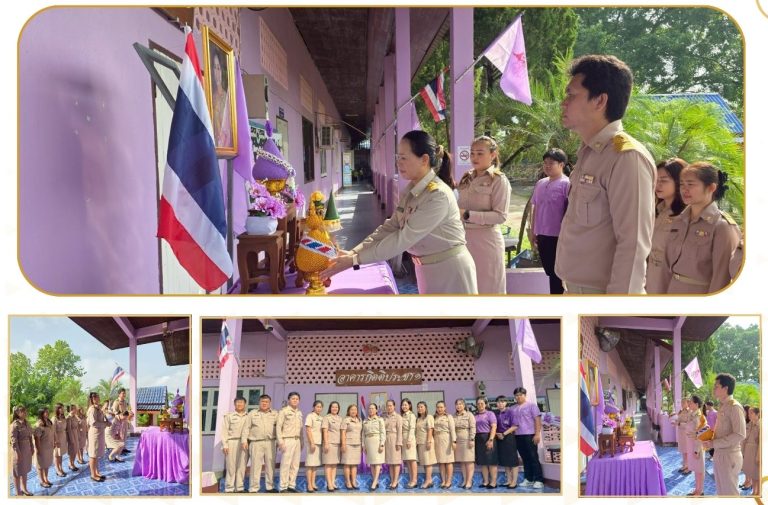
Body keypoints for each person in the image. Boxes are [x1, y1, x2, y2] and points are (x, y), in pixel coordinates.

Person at [321, 130, 478, 294]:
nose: (398, 163)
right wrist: (354, 252)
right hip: (426, 269)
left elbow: (403, 239)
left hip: (450, 271)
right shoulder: (412, 191)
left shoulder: (437, 195)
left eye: (404, 158)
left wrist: (354, 260)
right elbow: (390, 227)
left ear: (424, 160)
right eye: (398, 157)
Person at [556, 54, 655, 294]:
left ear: (600, 101)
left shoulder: (626, 157)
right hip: (575, 291)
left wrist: (616, 309)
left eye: (571, 95)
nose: (563, 103)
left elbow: (633, 245)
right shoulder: (589, 154)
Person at [665, 162, 741, 293]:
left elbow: (721, 277)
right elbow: (665, 268)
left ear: (711, 187)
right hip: (672, 291)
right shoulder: (678, 221)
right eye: (682, 184)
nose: (684, 189)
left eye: (690, 184)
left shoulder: (722, 226)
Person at [457, 135, 511, 294]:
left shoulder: (499, 180)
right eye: (472, 153)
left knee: (489, 287)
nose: (475, 157)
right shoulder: (467, 177)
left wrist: (468, 215)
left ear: (493, 155)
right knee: (467, 286)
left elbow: (500, 216)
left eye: (480, 153)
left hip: (486, 241)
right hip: (464, 239)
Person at [530, 148, 571, 294]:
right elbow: (535, 207)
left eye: (551, 163)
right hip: (542, 234)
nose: (547, 166)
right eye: (545, 163)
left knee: (557, 273)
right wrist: (533, 231)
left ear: (561, 164)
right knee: (549, 270)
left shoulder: (567, 184)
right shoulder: (540, 183)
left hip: (559, 236)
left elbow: (570, 211)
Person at [645, 158, 687, 293]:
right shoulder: (656, 211)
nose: (658, 184)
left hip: (670, 284)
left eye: (663, 180)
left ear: (679, 182)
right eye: (656, 179)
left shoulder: (686, 216)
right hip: (649, 281)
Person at [701, 373, 746, 496]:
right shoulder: (723, 406)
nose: (713, 389)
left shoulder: (735, 407)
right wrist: (709, 439)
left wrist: (714, 443)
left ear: (725, 388)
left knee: (730, 494)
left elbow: (740, 434)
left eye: (716, 386)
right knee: (722, 492)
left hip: (729, 455)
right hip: (720, 453)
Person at [241, 394, 278, 493]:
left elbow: (279, 428)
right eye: (262, 401)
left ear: (270, 403)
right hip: (256, 442)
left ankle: (270, 487)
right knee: (255, 466)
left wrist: (279, 440)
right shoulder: (252, 413)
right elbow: (246, 427)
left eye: (266, 402)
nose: (264, 403)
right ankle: (253, 488)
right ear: (259, 402)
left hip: (271, 442)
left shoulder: (275, 414)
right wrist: (244, 440)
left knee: (270, 465)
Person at [512, 388, 544, 489]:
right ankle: (529, 479)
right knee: (525, 458)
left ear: (525, 395)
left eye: (520, 395)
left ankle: (539, 480)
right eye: (516, 395)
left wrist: (537, 434)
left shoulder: (532, 406)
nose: (518, 397)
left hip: (530, 435)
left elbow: (537, 420)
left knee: (533, 457)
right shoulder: (513, 408)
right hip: (518, 436)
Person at [276, 392, 304, 493]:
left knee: (295, 465)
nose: (295, 400)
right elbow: (278, 427)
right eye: (293, 398)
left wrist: (302, 441)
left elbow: (301, 429)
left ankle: (291, 485)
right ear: (289, 400)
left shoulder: (299, 412)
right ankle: (283, 487)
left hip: (297, 440)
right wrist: (280, 441)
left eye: (297, 399)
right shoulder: (284, 411)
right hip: (287, 440)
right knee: (285, 464)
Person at [220, 396, 248, 493]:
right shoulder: (229, 416)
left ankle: (239, 487)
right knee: (231, 466)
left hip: (245, 443)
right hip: (232, 442)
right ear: (234, 404)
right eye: (237, 402)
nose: (239, 404)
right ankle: (229, 488)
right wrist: (225, 445)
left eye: (241, 402)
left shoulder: (248, 416)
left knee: (242, 466)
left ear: (245, 404)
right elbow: (224, 431)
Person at [495, 395, 519, 488]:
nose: (500, 404)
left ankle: (514, 482)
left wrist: (504, 434)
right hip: (499, 438)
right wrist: (497, 434)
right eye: (498, 402)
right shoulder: (496, 413)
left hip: (509, 437)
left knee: (513, 460)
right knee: (505, 460)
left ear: (506, 403)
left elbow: (515, 426)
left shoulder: (511, 412)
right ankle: (508, 480)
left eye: (502, 402)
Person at [474, 396, 498, 488]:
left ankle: (493, 482)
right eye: (478, 404)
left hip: (488, 437)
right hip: (478, 439)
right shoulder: (475, 415)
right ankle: (486, 481)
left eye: (482, 403)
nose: (480, 405)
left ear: (485, 404)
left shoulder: (490, 414)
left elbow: (494, 427)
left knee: (491, 461)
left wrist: (491, 439)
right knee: (483, 462)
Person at [86, 392, 110, 482]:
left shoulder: (98, 408)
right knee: (93, 454)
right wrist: (105, 424)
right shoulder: (92, 409)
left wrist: (107, 422)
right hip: (94, 434)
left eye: (98, 397)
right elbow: (93, 423)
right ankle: (93, 475)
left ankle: (96, 472)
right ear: (92, 399)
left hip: (99, 433)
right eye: (95, 398)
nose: (97, 399)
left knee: (96, 454)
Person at [10, 405, 34, 496]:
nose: (25, 413)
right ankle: (18, 492)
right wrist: (18, 453)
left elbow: (30, 436)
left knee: (25, 470)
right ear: (17, 413)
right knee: (17, 472)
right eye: (23, 411)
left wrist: (32, 447)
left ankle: (24, 489)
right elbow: (14, 441)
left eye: (25, 411)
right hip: (18, 450)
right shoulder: (14, 425)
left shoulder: (27, 423)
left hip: (27, 449)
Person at [684, 396, 706, 496]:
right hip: (691, 445)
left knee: (699, 469)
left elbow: (701, 433)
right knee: (696, 469)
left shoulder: (699, 416)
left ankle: (700, 491)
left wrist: (697, 450)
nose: (689, 404)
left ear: (696, 404)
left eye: (691, 402)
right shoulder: (692, 414)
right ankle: (697, 489)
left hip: (697, 446)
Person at [433, 400, 457, 488]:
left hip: (447, 439)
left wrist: (454, 441)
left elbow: (452, 429)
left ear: (445, 408)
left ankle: (449, 481)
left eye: (441, 407)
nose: (440, 409)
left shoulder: (448, 417)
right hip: (437, 440)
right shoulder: (434, 417)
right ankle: (443, 481)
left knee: (448, 461)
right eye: (438, 407)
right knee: (441, 462)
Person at [211, 50, 232, 147]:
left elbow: (229, 128)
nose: (217, 72)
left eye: (219, 68)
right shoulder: (212, 97)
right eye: (215, 68)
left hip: (225, 146)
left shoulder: (226, 98)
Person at [454, 398, 476, 489]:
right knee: (462, 461)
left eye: (460, 404)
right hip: (458, 440)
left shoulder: (469, 414)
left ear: (464, 405)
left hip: (467, 439)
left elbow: (473, 427)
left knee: (469, 461)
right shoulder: (454, 416)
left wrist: (472, 439)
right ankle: (464, 480)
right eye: (457, 404)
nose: (458, 406)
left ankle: (469, 481)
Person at [362, 403, 385, 490]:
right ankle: (376, 481)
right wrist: (363, 445)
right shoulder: (365, 421)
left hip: (377, 441)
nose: (371, 410)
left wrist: (382, 444)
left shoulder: (380, 420)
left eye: (373, 408)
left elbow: (383, 432)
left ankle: (374, 482)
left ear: (376, 410)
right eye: (369, 408)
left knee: (377, 462)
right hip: (368, 442)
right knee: (371, 462)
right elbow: (363, 434)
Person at [415, 401, 437, 489]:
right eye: (418, 407)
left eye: (421, 407)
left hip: (427, 442)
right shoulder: (419, 419)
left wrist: (428, 441)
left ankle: (427, 481)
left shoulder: (429, 417)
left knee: (428, 462)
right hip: (420, 443)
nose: (420, 408)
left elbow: (430, 430)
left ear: (426, 408)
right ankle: (429, 480)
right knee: (424, 462)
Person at [322, 401, 342, 492]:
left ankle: (333, 482)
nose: (335, 408)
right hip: (329, 443)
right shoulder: (326, 418)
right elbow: (325, 431)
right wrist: (326, 443)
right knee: (328, 464)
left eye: (336, 407)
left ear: (338, 409)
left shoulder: (340, 418)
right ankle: (329, 484)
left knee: (334, 464)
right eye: (333, 407)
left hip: (337, 443)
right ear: (330, 408)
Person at [340, 404, 362, 489]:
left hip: (357, 444)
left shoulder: (359, 420)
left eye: (355, 409)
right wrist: (343, 444)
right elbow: (343, 433)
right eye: (352, 409)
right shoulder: (346, 420)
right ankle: (348, 482)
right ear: (348, 411)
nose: (353, 411)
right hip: (348, 444)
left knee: (354, 464)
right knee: (347, 464)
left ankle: (353, 482)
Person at [304, 400, 324, 492]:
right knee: (310, 464)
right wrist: (312, 442)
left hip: (318, 443)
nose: (319, 408)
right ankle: (309, 484)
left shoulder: (321, 417)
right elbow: (308, 430)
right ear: (313, 407)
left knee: (315, 465)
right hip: (312, 443)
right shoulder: (310, 416)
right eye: (317, 407)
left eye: (320, 407)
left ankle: (313, 483)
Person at [383, 399, 403, 490]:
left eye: (391, 405)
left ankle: (395, 481)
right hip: (387, 439)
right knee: (390, 462)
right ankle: (392, 481)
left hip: (395, 439)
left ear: (394, 406)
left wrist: (399, 442)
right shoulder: (384, 417)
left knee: (396, 461)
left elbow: (400, 431)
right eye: (387, 406)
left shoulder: (398, 417)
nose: (389, 407)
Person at [33, 407, 54, 489]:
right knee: (41, 465)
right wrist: (38, 449)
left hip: (49, 447)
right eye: (46, 412)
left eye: (48, 412)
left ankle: (46, 479)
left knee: (47, 464)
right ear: (41, 414)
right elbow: (37, 438)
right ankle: (42, 481)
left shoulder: (48, 422)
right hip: (42, 447)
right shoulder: (39, 424)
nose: (48, 413)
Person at [741, 407, 760, 495]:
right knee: (751, 472)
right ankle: (754, 492)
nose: (749, 415)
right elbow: (744, 439)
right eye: (749, 413)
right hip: (748, 451)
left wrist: (758, 456)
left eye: (751, 413)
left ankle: (758, 492)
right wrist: (742, 451)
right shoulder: (749, 424)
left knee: (756, 474)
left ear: (757, 414)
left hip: (755, 451)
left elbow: (761, 443)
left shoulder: (760, 425)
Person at [400, 399, 418, 489]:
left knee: (412, 460)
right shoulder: (402, 416)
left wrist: (409, 440)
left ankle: (414, 480)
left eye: (406, 405)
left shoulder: (412, 415)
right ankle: (411, 479)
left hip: (409, 438)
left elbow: (412, 428)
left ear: (410, 406)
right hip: (403, 438)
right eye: (403, 405)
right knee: (408, 460)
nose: (404, 406)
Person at [672, 398, 691, 474]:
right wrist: (675, 422)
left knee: (688, 451)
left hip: (687, 434)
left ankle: (689, 467)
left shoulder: (690, 412)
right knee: (683, 450)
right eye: (681, 402)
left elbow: (689, 424)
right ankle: (685, 465)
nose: (682, 404)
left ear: (688, 403)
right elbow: (679, 420)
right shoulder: (681, 411)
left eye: (684, 402)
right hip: (681, 433)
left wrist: (679, 424)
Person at [52, 403, 69, 477]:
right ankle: (57, 470)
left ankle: (61, 468)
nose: (62, 409)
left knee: (61, 454)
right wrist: (56, 440)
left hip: (63, 437)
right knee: (56, 455)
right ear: (57, 409)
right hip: (57, 437)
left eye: (63, 408)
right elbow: (53, 430)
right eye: (61, 408)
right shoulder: (54, 418)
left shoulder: (63, 417)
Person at [66, 405, 81, 471]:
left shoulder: (75, 417)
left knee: (75, 450)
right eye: (75, 409)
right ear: (71, 409)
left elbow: (78, 425)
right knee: (72, 451)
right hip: (71, 435)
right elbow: (69, 429)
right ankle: (70, 464)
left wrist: (78, 435)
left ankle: (73, 463)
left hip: (76, 434)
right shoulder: (68, 418)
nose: (76, 410)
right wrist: (71, 439)